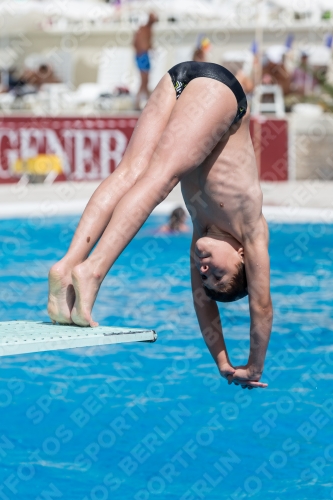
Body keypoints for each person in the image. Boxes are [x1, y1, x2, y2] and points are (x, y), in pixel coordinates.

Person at [48, 61, 272, 390]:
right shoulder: (252, 233)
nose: (206, 269)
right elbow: (262, 306)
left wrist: (222, 362)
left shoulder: (202, 235)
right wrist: (254, 365)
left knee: (130, 172)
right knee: (160, 178)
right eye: (218, 274)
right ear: (241, 256)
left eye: (206, 276)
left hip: (178, 80)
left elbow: (203, 302)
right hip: (220, 92)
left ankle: (67, 267)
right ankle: (93, 271)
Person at [133, 12, 158, 110]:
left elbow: (148, 44)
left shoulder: (148, 30)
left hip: (145, 55)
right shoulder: (143, 29)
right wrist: (140, 52)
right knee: (144, 80)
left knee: (146, 80)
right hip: (142, 55)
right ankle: (139, 102)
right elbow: (135, 43)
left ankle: (146, 102)